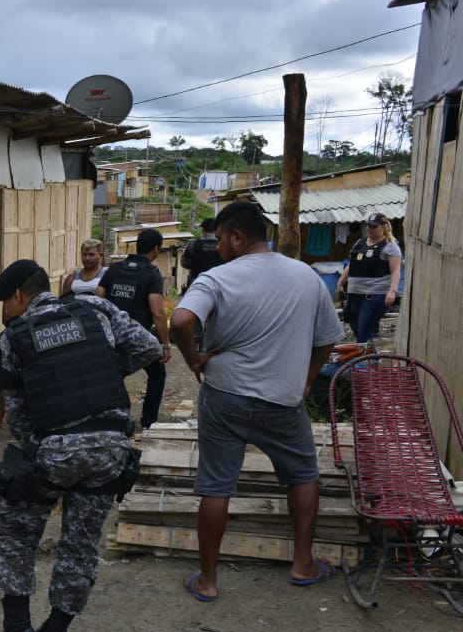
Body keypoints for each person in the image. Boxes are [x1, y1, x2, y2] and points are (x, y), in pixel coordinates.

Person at [0, 259, 160, 632]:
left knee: (12, 528)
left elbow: (16, 413)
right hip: (111, 448)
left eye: (5, 305)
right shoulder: (95, 310)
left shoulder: (13, 337)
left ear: (18, 296)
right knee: (80, 545)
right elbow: (149, 349)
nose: (5, 314)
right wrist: (102, 369)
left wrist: (38, 448)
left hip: (58, 449)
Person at [170, 202, 345, 601]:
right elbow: (328, 338)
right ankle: (303, 563)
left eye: (220, 240)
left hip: (225, 395)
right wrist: (305, 379)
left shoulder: (216, 278)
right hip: (282, 399)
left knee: (216, 485)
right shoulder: (306, 276)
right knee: (302, 474)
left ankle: (208, 580)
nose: (217, 249)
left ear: (237, 237)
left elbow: (180, 320)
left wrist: (194, 359)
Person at [98, 228, 172, 429]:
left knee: (113, 375)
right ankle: (148, 421)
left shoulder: (113, 269)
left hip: (111, 336)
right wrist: (165, 344)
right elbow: (157, 311)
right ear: (156, 249)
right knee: (157, 374)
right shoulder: (151, 273)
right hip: (139, 338)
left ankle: (114, 420)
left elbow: (98, 298)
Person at [335, 212, 403, 345]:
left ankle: (363, 362)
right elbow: (351, 264)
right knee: (354, 324)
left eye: (374, 227)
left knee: (364, 328)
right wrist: (340, 282)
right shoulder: (359, 243)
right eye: (368, 226)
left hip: (374, 295)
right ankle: (371, 359)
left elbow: (396, 271)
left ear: (383, 227)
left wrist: (392, 290)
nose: (370, 229)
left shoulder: (390, 246)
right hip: (354, 294)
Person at [181, 218, 223, 292]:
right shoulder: (223, 244)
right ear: (217, 230)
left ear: (203, 230)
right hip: (219, 282)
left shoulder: (193, 243)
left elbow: (184, 262)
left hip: (197, 281)